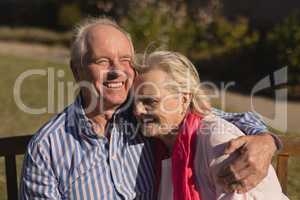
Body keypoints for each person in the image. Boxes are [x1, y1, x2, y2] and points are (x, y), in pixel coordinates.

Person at [20, 17, 280, 199]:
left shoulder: (145, 114)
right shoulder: (49, 146)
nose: (117, 71)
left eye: (125, 60)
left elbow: (209, 117)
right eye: (102, 61)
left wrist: (266, 140)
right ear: (77, 71)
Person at [133, 50, 288, 200]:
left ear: (184, 100)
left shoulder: (219, 142)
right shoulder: (162, 145)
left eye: (150, 101)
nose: (137, 111)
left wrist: (267, 139)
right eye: (134, 102)